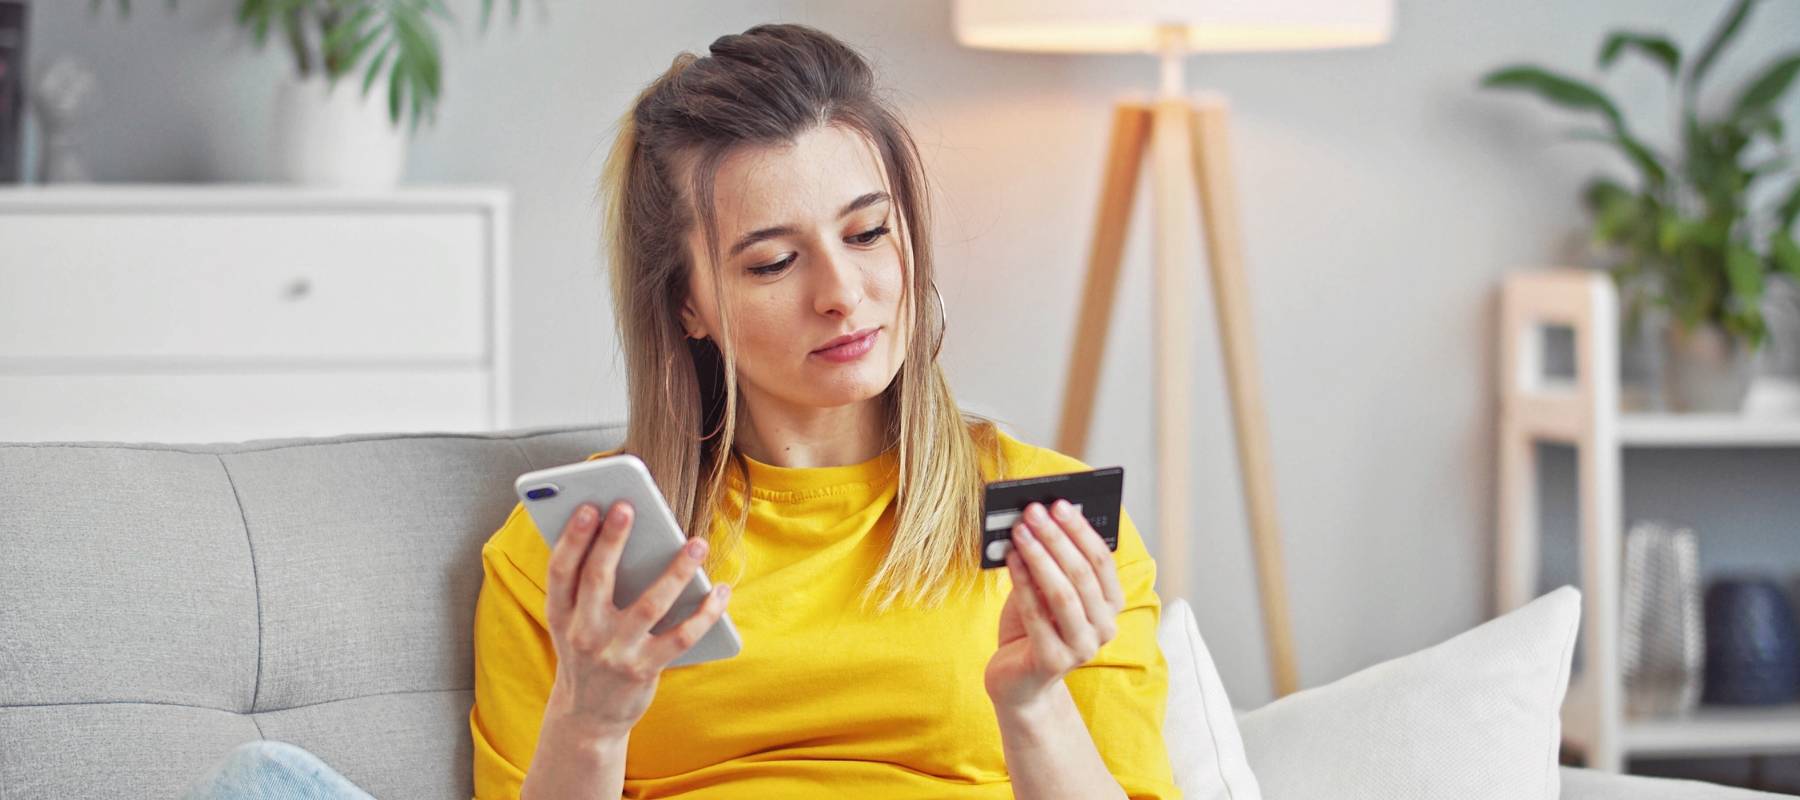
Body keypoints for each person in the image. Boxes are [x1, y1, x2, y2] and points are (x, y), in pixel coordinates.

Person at [469, 22, 1179, 800]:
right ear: (685, 304)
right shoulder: (572, 557)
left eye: (867, 232)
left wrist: (1034, 707)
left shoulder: (1055, 527)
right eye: (774, 262)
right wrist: (591, 724)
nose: (841, 293)